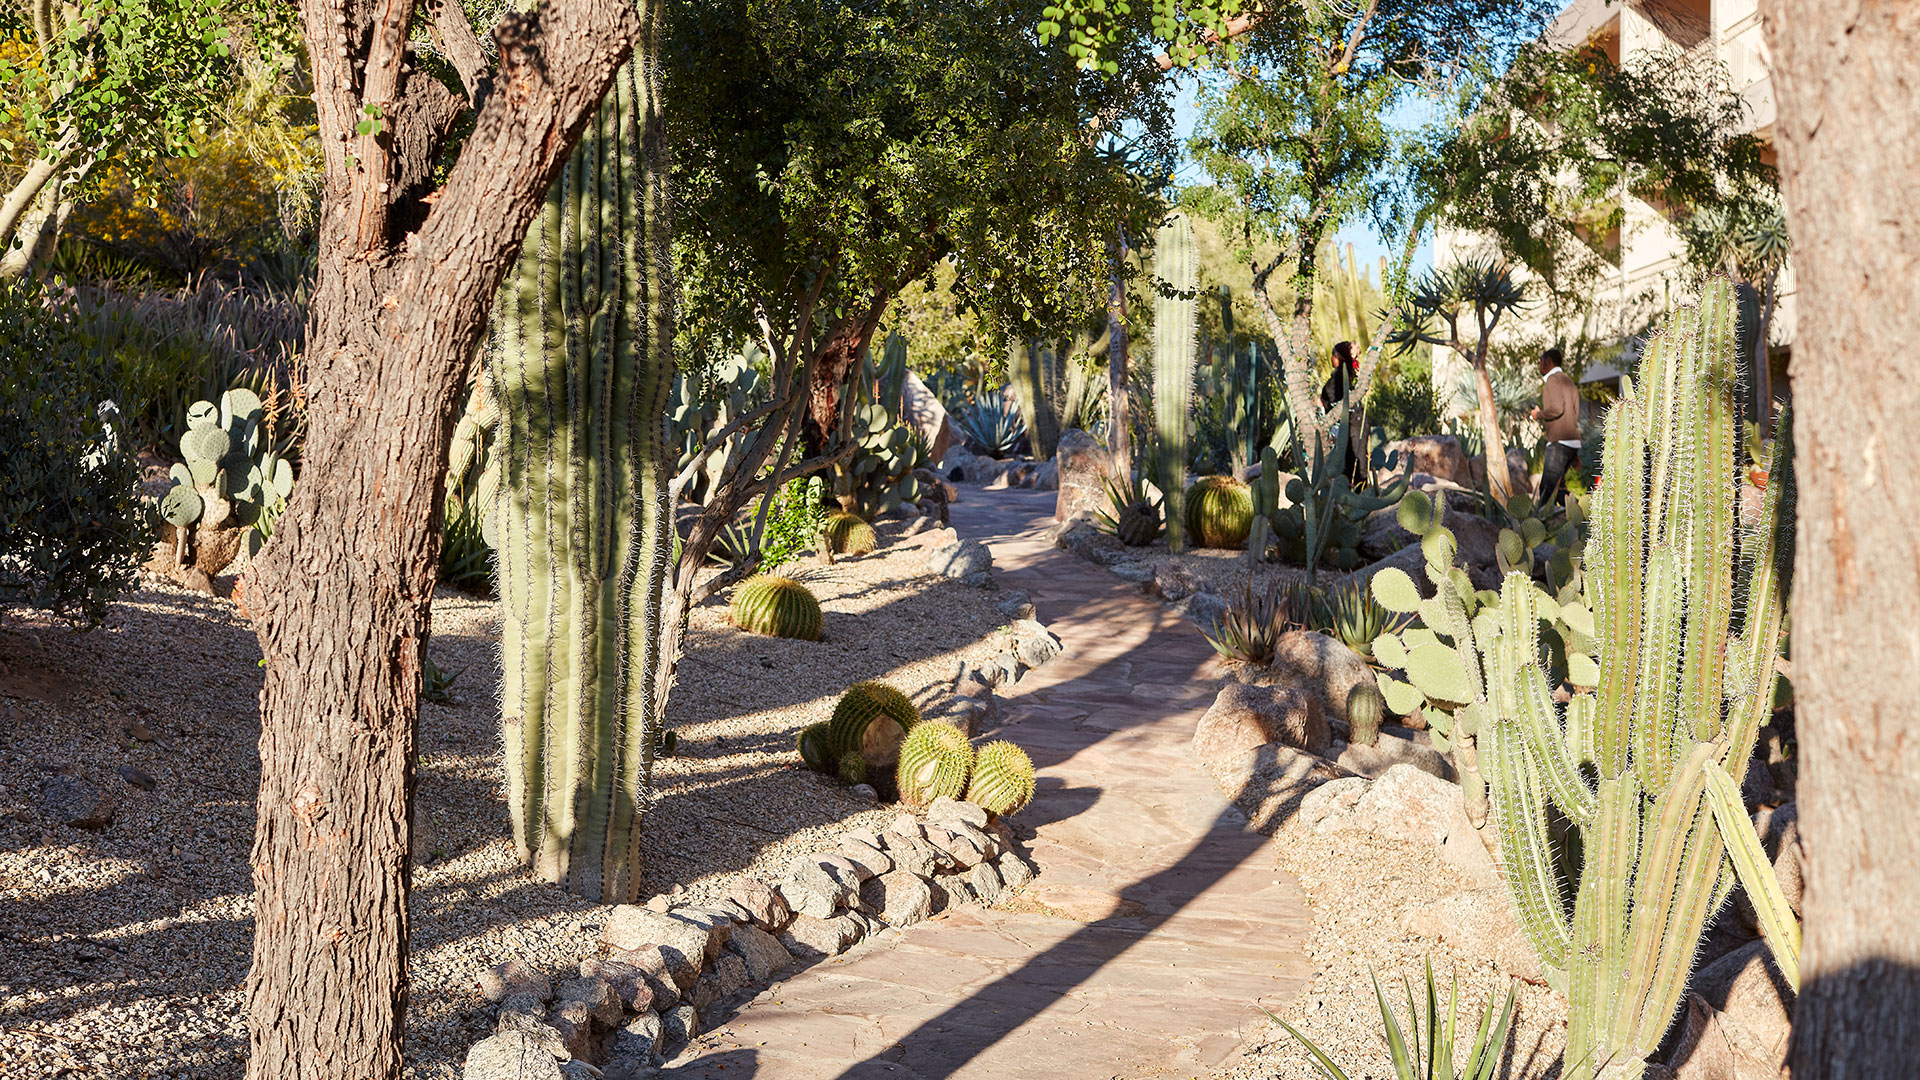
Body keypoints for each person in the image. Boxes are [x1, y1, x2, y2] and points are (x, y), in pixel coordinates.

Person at [1529, 347, 1581, 507]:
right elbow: (1574, 412)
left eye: (1541, 361)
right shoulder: (1567, 380)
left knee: (1546, 491)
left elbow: (1557, 409)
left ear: (1549, 362)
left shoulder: (1553, 380)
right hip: (1571, 442)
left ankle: (1537, 529)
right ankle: (1587, 516)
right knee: (1559, 491)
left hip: (1559, 442)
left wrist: (1538, 414)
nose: (1539, 365)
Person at [1318, 341, 1368, 485]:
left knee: (1356, 461)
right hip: (1352, 422)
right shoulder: (1342, 373)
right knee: (1350, 459)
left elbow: (1331, 397)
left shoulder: (1341, 375)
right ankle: (1353, 493)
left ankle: (1359, 493)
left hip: (1354, 422)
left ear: (1339, 357)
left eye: (1333, 355)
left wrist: (1321, 402)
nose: (1331, 359)